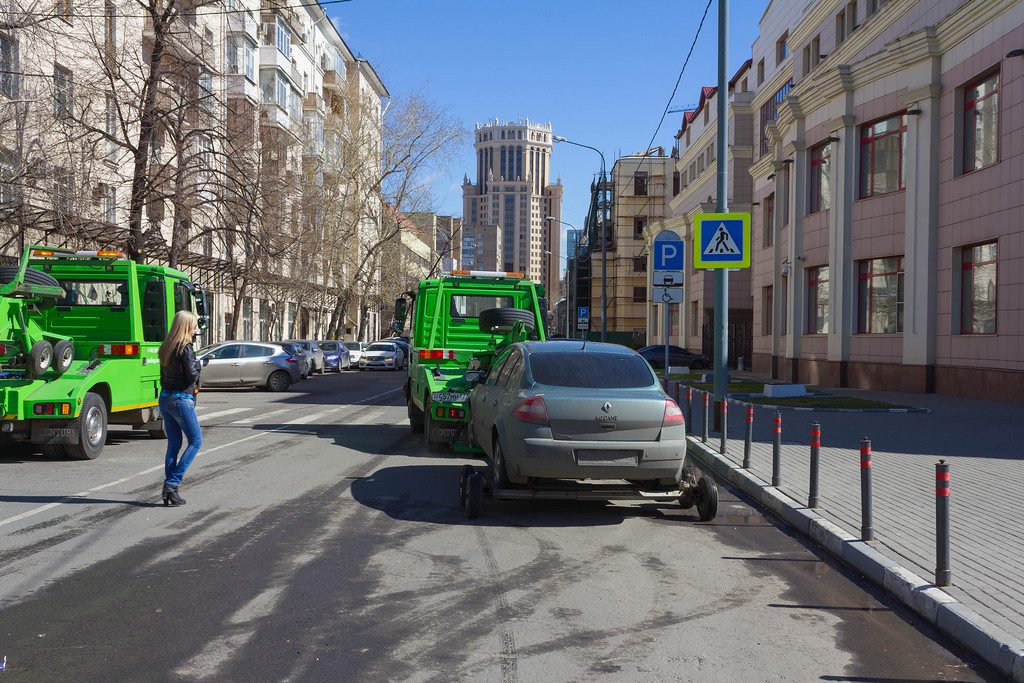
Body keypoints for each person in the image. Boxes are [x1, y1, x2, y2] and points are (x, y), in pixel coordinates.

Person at [157, 310, 203, 506]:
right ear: (186, 326)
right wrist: (199, 365)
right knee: (196, 441)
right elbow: (192, 376)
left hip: (165, 398)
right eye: (194, 325)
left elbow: (162, 376)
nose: (196, 329)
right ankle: (172, 483)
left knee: (174, 444)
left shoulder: (165, 347)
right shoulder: (185, 348)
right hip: (181, 399)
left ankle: (170, 492)